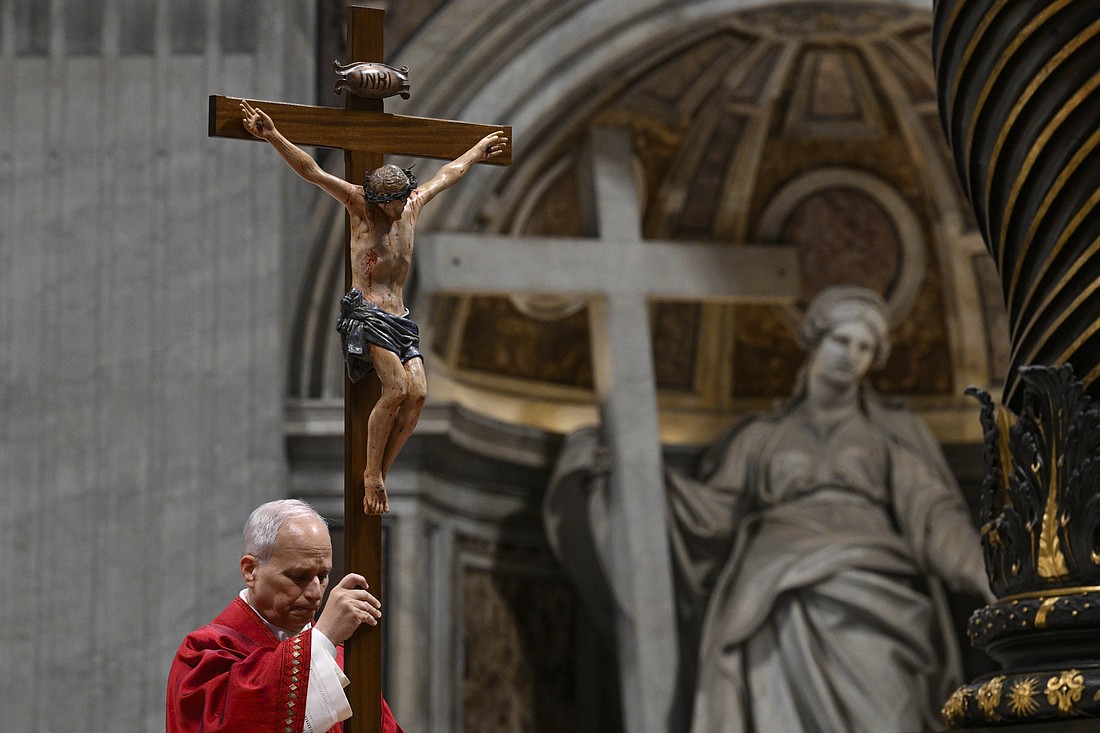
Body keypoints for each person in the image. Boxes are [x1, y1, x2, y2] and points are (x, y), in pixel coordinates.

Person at [666, 286, 991, 732]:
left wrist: (985, 574)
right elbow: (711, 514)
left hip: (872, 593)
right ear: (815, 340)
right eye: (841, 341)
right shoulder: (760, 435)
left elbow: (935, 517)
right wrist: (636, 474)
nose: (850, 356)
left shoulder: (892, 432)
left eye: (864, 348)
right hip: (776, 592)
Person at [240, 99, 508, 515]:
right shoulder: (360, 208)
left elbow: (446, 175)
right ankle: (371, 474)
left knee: (418, 394)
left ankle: (386, 466)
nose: (399, 208)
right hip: (367, 315)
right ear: (378, 199)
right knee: (396, 388)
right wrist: (273, 135)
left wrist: (474, 152)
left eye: (402, 199)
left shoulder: (411, 207)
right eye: (393, 202)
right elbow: (313, 171)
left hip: (400, 318)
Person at [166, 499, 404, 733]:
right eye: (299, 576)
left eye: (322, 576)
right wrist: (323, 637)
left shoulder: (341, 657)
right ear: (250, 570)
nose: (315, 593)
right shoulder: (206, 652)